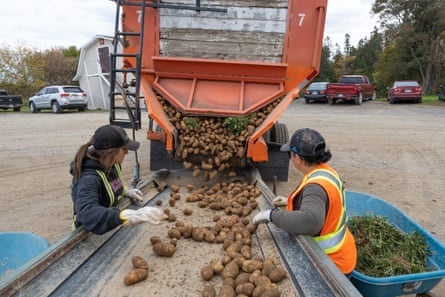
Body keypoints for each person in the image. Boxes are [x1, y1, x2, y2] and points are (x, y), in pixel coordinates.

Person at [252, 128, 357, 275]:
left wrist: (272, 215)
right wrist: (289, 201)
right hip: (344, 252)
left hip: (332, 265)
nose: (290, 158)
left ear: (297, 158)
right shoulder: (325, 172)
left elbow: (310, 221)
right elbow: (323, 202)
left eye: (290, 154)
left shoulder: (315, 186)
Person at [70, 124, 165, 234]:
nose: (127, 152)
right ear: (112, 152)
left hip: (110, 224)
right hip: (89, 233)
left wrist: (126, 191)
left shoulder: (112, 163)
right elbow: (87, 213)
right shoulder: (88, 179)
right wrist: (124, 216)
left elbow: (113, 183)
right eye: (124, 149)